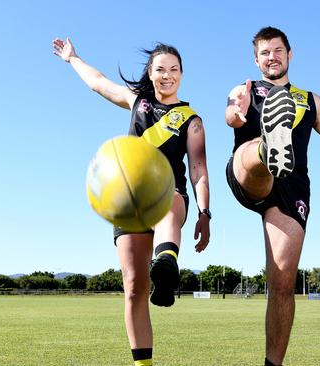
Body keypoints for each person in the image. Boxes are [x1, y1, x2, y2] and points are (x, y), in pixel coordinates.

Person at [53, 37, 211, 366]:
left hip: (170, 191)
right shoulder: (137, 101)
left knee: (168, 202)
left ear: (182, 73)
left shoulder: (191, 120)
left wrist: (204, 211)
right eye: (160, 70)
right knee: (135, 286)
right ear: (150, 74)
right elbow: (97, 83)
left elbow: (198, 169)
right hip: (127, 200)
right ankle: (143, 364)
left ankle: (167, 262)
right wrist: (72, 58)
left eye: (173, 69)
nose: (167, 75)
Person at [224, 26, 320, 366]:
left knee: (282, 282)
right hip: (248, 172)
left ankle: (272, 365)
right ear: (256, 59)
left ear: (290, 54)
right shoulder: (245, 88)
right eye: (264, 52)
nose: (271, 57)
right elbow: (231, 115)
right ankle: (268, 146)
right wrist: (237, 112)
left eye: (277, 50)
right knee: (253, 158)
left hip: (292, 188)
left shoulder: (309, 100)